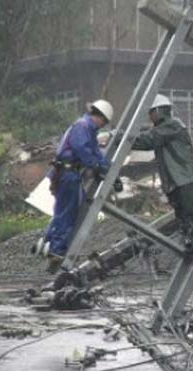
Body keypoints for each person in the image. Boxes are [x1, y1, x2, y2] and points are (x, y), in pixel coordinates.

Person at [118, 94, 193, 256]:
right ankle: (187, 243)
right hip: (175, 181)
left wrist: (120, 136)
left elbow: (147, 141)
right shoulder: (163, 129)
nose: (150, 116)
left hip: (184, 179)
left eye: (151, 112)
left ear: (159, 111)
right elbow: (147, 139)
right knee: (182, 215)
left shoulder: (172, 126)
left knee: (189, 214)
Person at [41, 99, 114, 272]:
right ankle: (56, 251)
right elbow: (83, 150)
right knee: (67, 212)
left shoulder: (87, 129)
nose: (102, 126)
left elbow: (95, 152)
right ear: (99, 117)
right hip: (68, 174)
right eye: (103, 122)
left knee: (67, 210)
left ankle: (47, 241)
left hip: (70, 174)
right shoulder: (82, 127)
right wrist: (96, 166)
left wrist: (106, 167)